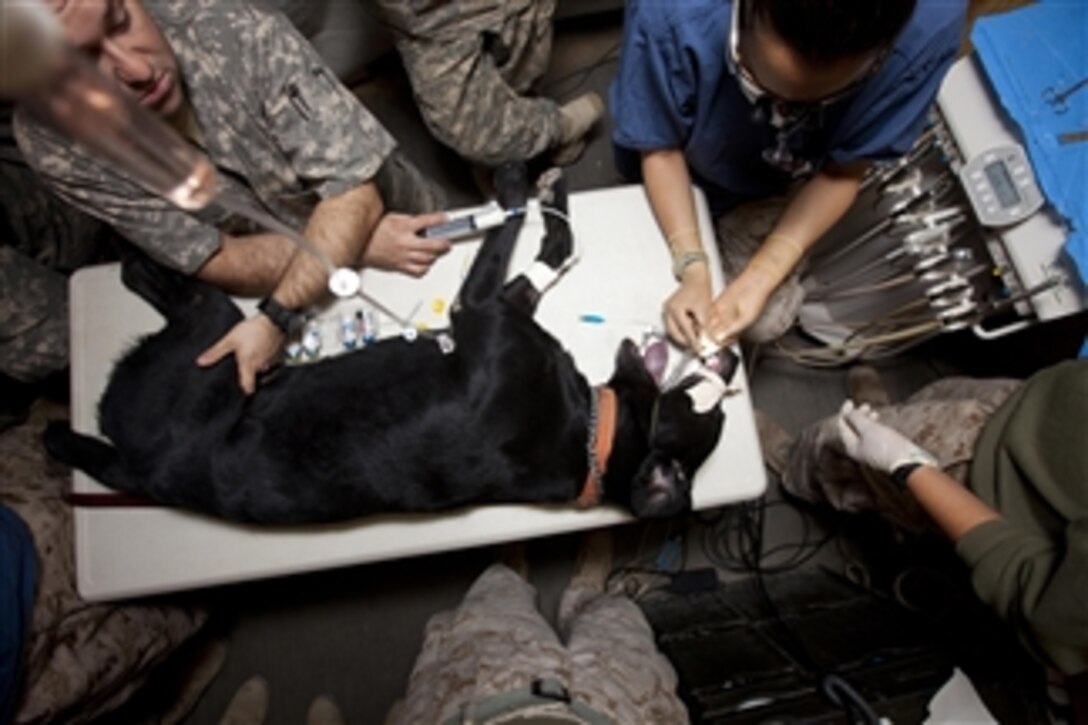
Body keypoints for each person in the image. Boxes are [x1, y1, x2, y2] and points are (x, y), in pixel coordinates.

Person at [14, 0, 453, 394]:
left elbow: (353, 192)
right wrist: (354, 249)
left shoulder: (236, 27)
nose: (137, 70)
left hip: (402, 231)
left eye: (120, 21)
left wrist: (278, 316)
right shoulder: (53, 146)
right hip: (303, 269)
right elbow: (215, 256)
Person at [610, 0, 967, 350]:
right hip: (677, 160)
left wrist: (762, 276)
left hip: (774, 184)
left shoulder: (931, 25)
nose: (782, 115)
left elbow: (843, 172)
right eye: (758, 85)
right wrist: (691, 264)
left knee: (764, 322)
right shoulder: (669, 10)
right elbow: (660, 146)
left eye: (823, 100)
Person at [780, 361, 1088, 680]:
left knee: (832, 449)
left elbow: (1038, 605)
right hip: (1033, 403)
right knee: (937, 394)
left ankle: (790, 463)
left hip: (984, 471)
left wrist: (907, 465)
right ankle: (888, 414)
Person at [387, 534, 690, 724]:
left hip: (488, 702)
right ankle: (588, 597)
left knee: (494, 612)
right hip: (614, 714)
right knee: (620, 629)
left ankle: (510, 573)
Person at [373, 0, 605, 169]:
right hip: (429, 17)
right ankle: (562, 127)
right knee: (474, 134)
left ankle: (537, 141)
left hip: (507, 6)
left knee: (520, 78)